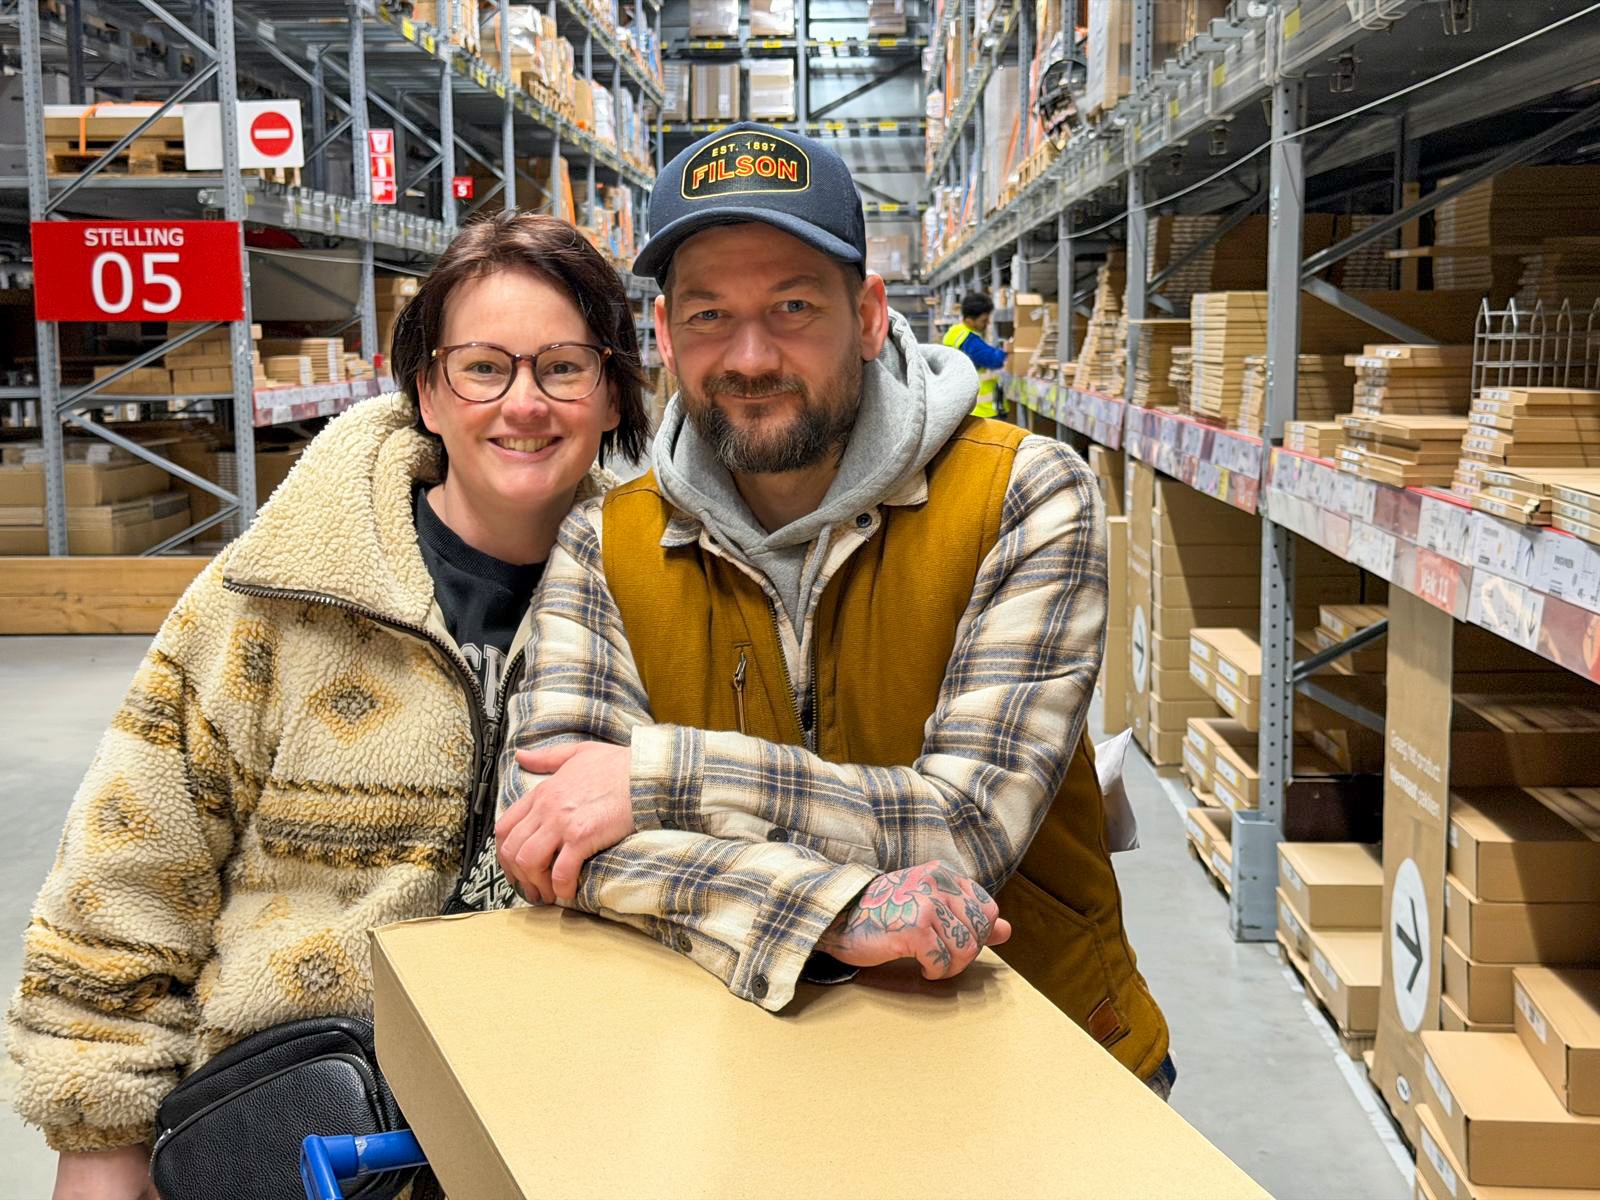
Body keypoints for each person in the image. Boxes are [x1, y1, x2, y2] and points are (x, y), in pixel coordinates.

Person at [493, 123, 1174, 1094]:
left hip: (1046, 1063)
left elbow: (965, 830)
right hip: (756, 1066)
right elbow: (546, 828)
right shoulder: (604, 543)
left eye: (792, 306)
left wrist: (655, 778)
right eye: (709, 316)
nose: (750, 354)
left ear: (865, 314)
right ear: (663, 336)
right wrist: (832, 911)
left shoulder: (1022, 493)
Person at [6, 211, 652, 1197]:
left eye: (562, 367)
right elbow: (130, 865)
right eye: (485, 367)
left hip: (566, 1126)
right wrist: (98, 1140)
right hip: (304, 1123)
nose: (524, 403)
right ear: (429, 390)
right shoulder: (274, 598)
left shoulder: (668, 597)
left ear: (611, 392)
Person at [943, 291, 1010, 418]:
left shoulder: (956, 332)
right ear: (969, 320)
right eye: (984, 320)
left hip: (967, 406)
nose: (988, 323)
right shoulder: (969, 341)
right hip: (980, 410)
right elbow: (994, 359)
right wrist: (1009, 348)